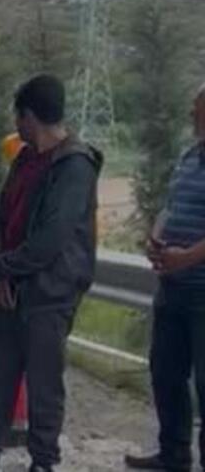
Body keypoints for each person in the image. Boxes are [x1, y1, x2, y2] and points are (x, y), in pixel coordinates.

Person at [0, 74, 102, 472]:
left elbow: (51, 238)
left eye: (18, 116)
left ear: (29, 116)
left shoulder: (75, 166)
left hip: (48, 295)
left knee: (43, 387)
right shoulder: (24, 160)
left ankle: (42, 463)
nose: (16, 125)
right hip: (6, 290)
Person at [126, 83, 205, 472]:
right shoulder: (189, 156)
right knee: (165, 373)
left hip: (202, 291)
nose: (192, 115)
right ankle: (173, 454)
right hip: (172, 287)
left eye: (198, 109)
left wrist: (186, 258)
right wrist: (156, 237)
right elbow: (170, 207)